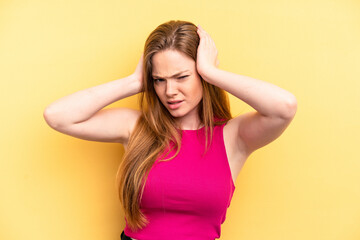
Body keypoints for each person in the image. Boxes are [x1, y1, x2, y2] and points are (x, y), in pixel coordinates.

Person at [43, 20, 297, 240]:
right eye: (159, 80)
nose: (169, 91)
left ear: (202, 76)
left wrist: (211, 72)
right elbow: (58, 116)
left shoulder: (233, 136)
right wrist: (133, 81)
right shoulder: (136, 127)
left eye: (181, 77)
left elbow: (284, 106)